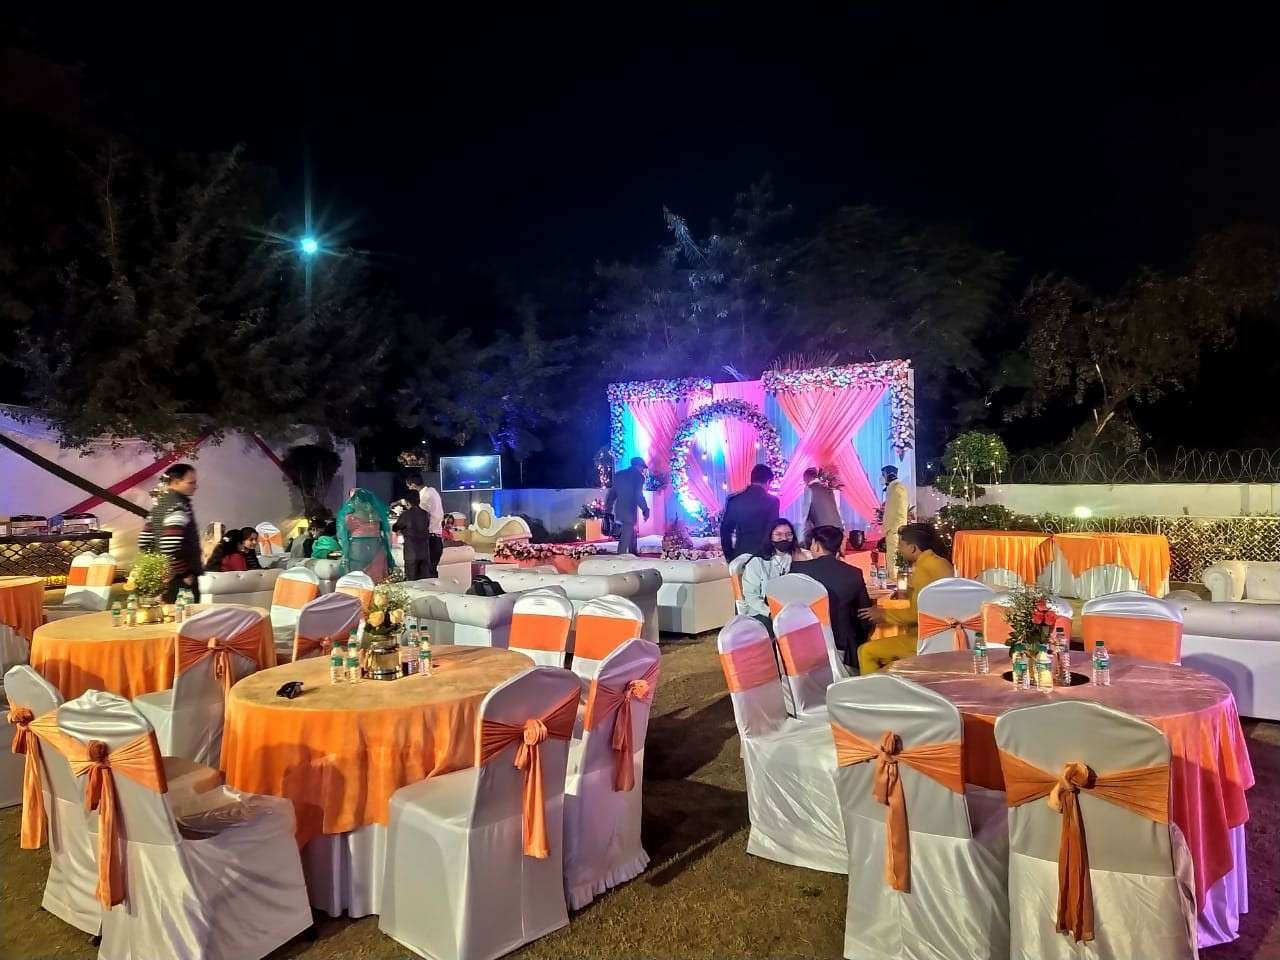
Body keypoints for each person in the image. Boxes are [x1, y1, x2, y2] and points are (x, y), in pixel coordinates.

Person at [857, 521, 954, 674]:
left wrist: (883, 614)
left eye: (901, 546)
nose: (899, 550)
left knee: (866, 651)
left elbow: (917, 614)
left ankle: (874, 689)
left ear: (913, 548)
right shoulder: (941, 562)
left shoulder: (924, 569)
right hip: (948, 636)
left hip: (929, 640)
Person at [791, 525, 872, 671]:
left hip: (806, 643)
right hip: (843, 644)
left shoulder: (798, 569)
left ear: (815, 545)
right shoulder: (854, 573)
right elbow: (865, 615)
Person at [136, 463, 203, 602]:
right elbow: (169, 546)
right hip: (181, 579)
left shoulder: (159, 506)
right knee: (185, 614)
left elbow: (144, 541)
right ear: (176, 482)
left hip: (163, 576)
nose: (195, 486)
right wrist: (185, 573)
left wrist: (157, 566)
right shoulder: (178, 507)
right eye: (191, 482)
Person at [739, 519, 811, 632]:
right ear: (770, 537)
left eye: (788, 534)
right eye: (778, 534)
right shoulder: (757, 562)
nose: (784, 538)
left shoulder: (799, 555)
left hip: (791, 608)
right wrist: (770, 612)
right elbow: (751, 596)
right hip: (763, 611)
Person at [720, 464, 780, 561]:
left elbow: (725, 531)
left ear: (752, 479)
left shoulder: (734, 500)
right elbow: (772, 530)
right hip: (764, 557)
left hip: (740, 555)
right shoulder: (772, 501)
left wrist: (730, 556)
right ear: (768, 482)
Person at [336, 488, 394, 581]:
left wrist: (345, 556)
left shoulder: (350, 517)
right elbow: (387, 534)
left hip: (358, 550)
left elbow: (342, 536)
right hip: (378, 549)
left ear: (356, 501)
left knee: (358, 580)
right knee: (377, 581)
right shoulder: (378, 515)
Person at [605, 457, 650, 555]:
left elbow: (612, 493)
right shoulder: (639, 477)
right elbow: (638, 495)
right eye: (642, 467)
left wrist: (608, 508)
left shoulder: (619, 475)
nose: (643, 470)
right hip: (629, 510)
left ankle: (633, 552)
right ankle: (621, 556)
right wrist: (645, 509)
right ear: (638, 466)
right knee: (626, 535)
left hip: (619, 509)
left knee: (630, 531)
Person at [404, 474, 445, 577]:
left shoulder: (424, 497)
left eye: (409, 487)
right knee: (431, 572)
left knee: (425, 574)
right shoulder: (432, 491)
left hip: (428, 541)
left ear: (413, 485)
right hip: (436, 538)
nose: (409, 490)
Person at [392, 489, 434, 581]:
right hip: (425, 552)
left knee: (412, 582)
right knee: (425, 581)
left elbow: (395, 527)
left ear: (407, 502)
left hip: (411, 552)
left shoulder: (406, 515)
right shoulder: (426, 514)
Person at [880, 465, 910, 577]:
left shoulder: (898, 488)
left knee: (893, 555)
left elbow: (901, 510)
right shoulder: (892, 488)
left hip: (895, 528)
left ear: (889, 474)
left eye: (883, 475)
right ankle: (893, 576)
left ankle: (894, 578)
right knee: (891, 554)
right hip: (891, 528)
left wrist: (896, 528)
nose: (882, 478)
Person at [800, 467, 843, 544]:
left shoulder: (809, 489)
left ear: (806, 478)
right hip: (838, 528)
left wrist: (803, 537)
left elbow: (806, 514)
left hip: (824, 532)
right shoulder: (827, 488)